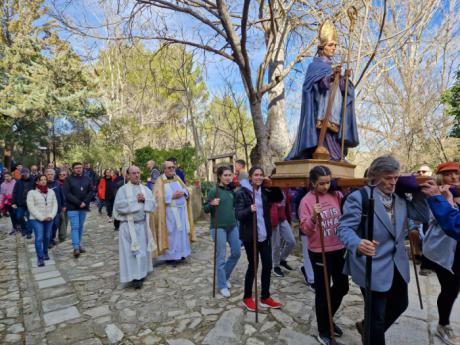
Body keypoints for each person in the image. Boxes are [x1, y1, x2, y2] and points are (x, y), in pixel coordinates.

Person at [337, 155, 411, 345]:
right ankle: (371, 334)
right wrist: (357, 243)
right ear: (374, 175)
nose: (393, 182)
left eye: (396, 177)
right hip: (371, 264)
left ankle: (366, 328)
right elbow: (344, 228)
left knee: (401, 304)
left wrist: (425, 193)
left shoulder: (400, 198)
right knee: (376, 318)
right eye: (388, 177)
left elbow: (422, 214)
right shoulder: (360, 197)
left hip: (397, 264)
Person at [286, 20, 358, 161]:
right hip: (321, 111)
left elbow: (341, 90)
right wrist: (330, 77)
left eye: (335, 45)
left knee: (333, 132)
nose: (334, 48)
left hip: (334, 111)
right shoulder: (315, 66)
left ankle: (336, 155)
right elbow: (314, 86)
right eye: (331, 45)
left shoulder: (332, 66)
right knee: (324, 133)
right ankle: (322, 151)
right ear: (322, 47)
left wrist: (344, 79)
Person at [299, 166, 349, 345]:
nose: (326, 186)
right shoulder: (306, 201)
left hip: (338, 248)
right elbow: (305, 230)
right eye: (321, 183)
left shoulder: (337, 195)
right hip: (319, 252)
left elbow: (347, 215)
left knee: (343, 286)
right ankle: (323, 330)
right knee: (323, 292)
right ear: (313, 182)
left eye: (328, 182)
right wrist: (313, 217)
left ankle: (328, 319)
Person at [420, 161, 460, 345]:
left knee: (454, 287)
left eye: (456, 173)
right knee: (450, 288)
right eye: (448, 174)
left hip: (457, 249)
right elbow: (439, 220)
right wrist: (449, 202)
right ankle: (443, 325)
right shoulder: (434, 193)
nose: (453, 177)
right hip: (442, 250)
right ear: (439, 177)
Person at [235, 166, 283, 311]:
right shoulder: (242, 193)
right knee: (253, 266)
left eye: (261, 175)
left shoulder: (264, 191)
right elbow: (238, 215)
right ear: (250, 177)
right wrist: (249, 209)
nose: (259, 177)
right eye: (256, 175)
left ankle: (265, 297)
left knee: (268, 265)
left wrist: (272, 184)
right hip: (250, 236)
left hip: (264, 234)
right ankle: (247, 297)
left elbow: (278, 197)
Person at [114, 166, 156, 289]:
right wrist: (135, 200)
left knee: (142, 252)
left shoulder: (146, 189)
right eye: (133, 173)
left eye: (138, 172)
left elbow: (153, 204)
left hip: (142, 225)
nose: (137, 175)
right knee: (130, 253)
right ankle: (133, 277)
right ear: (128, 175)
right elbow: (118, 207)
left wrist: (144, 200)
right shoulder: (122, 190)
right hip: (128, 227)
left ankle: (141, 275)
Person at [203, 166, 241, 297]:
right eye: (225, 175)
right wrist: (212, 203)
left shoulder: (231, 191)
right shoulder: (214, 191)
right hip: (218, 227)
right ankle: (222, 285)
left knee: (236, 252)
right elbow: (205, 209)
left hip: (232, 226)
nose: (228, 177)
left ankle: (224, 277)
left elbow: (235, 207)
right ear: (219, 176)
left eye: (230, 175)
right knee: (221, 257)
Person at [152, 160, 195, 262]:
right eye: (169, 168)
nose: (172, 169)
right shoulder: (160, 181)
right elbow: (156, 198)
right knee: (172, 234)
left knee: (182, 233)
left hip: (182, 212)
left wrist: (183, 193)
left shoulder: (177, 178)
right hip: (169, 213)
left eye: (173, 167)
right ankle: (171, 257)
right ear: (164, 169)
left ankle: (182, 254)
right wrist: (171, 196)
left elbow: (187, 189)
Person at [64, 162, 94, 258]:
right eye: (76, 168)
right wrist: (78, 202)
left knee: (80, 227)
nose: (78, 169)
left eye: (80, 167)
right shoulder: (68, 179)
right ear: (73, 169)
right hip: (72, 207)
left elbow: (91, 191)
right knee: (75, 227)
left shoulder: (87, 179)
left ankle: (78, 245)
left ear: (82, 168)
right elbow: (67, 193)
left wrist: (85, 202)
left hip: (84, 207)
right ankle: (76, 247)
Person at [27, 174, 58, 267]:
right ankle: (40, 258)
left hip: (49, 218)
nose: (44, 181)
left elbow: (55, 204)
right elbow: (31, 207)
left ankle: (45, 252)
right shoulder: (31, 193)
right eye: (42, 180)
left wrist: (51, 216)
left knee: (47, 237)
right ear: (37, 181)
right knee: (39, 237)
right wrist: (41, 217)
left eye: (45, 179)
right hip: (36, 219)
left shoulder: (51, 192)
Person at [270, 188, 296, 278]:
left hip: (282, 218)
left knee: (291, 241)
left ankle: (282, 259)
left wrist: (289, 219)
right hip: (273, 219)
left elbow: (287, 205)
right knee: (276, 244)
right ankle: (276, 266)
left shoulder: (285, 189)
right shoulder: (270, 188)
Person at [45, 168, 65, 248]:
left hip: (57, 209)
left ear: (54, 175)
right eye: (48, 174)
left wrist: (64, 205)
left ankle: (52, 238)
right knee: (49, 225)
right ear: (46, 175)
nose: (50, 176)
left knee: (55, 225)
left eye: (51, 174)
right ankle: (48, 241)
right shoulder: (43, 184)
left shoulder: (58, 184)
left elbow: (62, 195)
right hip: (46, 209)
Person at [12, 168, 34, 238]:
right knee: (19, 216)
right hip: (20, 203)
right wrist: (13, 202)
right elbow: (14, 192)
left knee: (29, 218)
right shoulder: (18, 182)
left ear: (29, 173)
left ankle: (29, 232)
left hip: (30, 203)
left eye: (26, 174)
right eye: (23, 174)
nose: (25, 176)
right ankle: (24, 229)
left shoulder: (33, 181)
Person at [56, 169, 68, 242]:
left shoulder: (69, 183)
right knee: (60, 220)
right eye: (60, 174)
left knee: (65, 220)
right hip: (58, 205)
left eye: (64, 175)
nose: (62, 176)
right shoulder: (56, 183)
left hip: (67, 205)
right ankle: (61, 236)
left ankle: (62, 235)